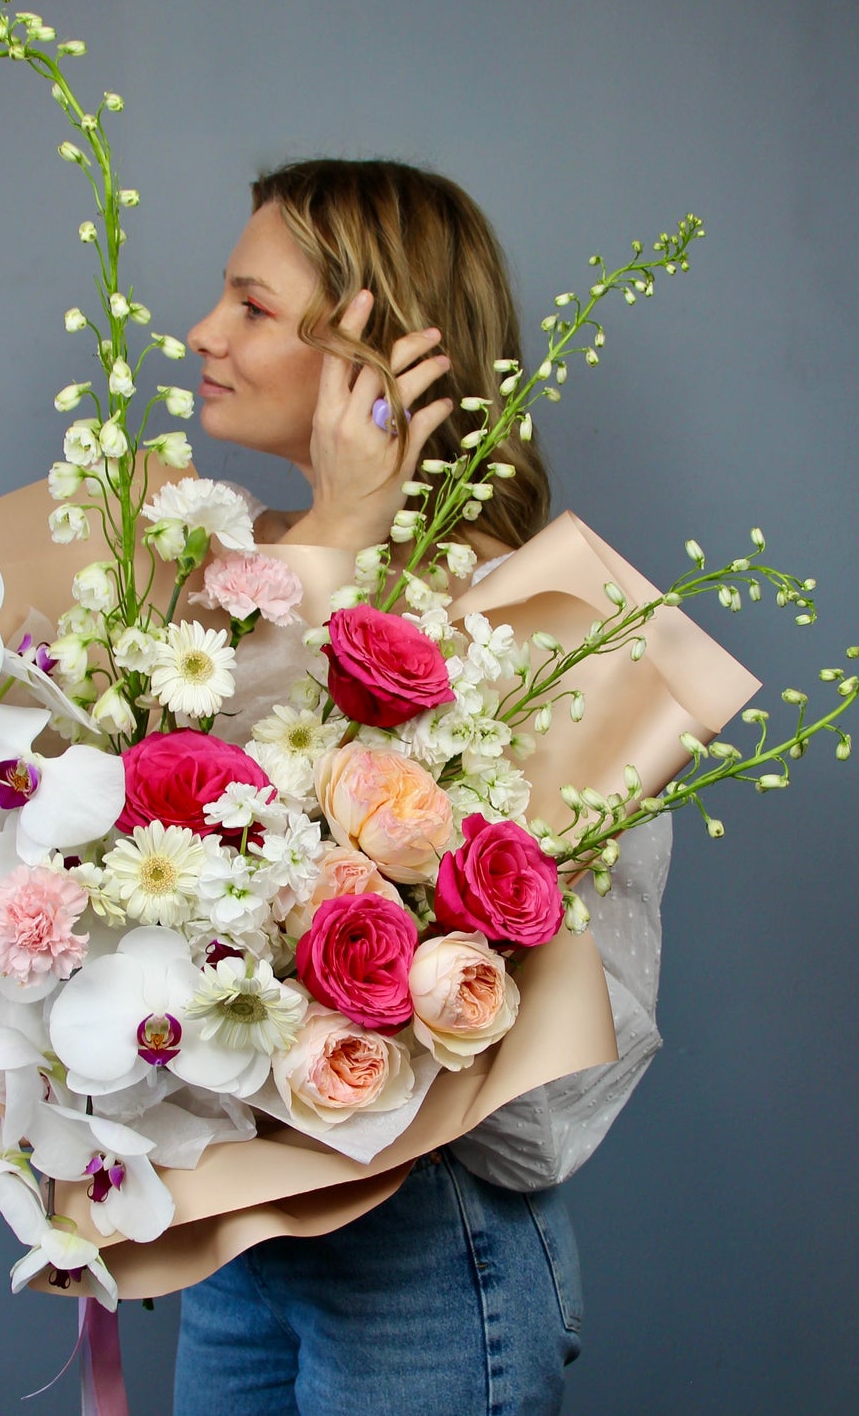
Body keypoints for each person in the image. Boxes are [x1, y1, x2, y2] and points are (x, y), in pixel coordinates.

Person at [173, 158, 670, 1416]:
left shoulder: (545, 625)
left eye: (250, 306)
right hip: (240, 1226)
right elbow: (198, 849)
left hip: (425, 1247)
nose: (202, 333)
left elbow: (571, 1048)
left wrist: (350, 529)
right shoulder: (222, 570)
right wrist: (333, 533)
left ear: (373, 358)